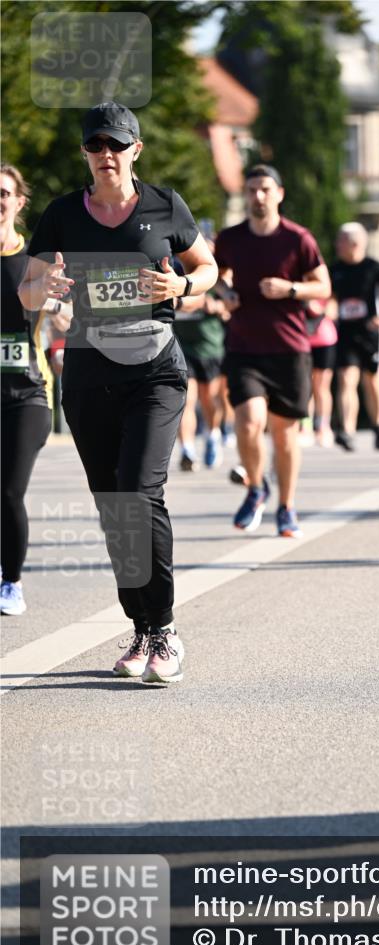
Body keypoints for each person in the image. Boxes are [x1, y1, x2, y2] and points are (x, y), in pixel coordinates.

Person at [19, 102, 218, 682]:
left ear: (136, 150)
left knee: (138, 492)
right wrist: (46, 286)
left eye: (117, 145)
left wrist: (181, 284)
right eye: (95, 146)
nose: (106, 155)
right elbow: (29, 293)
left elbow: (207, 269)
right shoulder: (61, 214)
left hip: (155, 366)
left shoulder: (165, 205)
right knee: (113, 508)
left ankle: (165, 631)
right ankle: (140, 631)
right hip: (88, 369)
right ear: (85, 153)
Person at [214, 164, 331, 537]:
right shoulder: (231, 239)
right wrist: (225, 293)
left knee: (284, 435)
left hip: (290, 348)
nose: (258, 196)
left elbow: (322, 285)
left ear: (279, 193)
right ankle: (255, 488)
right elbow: (211, 273)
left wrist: (290, 289)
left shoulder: (298, 238)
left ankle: (287, 506)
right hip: (244, 347)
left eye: (265, 189)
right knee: (248, 422)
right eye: (251, 190)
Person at [1, 164, 53, 615]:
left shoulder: (32, 259)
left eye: (4, 193)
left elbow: (45, 300)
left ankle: (11, 582)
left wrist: (57, 302)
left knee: (9, 491)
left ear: (19, 202)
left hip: (27, 395)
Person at [330, 222, 379, 451]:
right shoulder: (336, 270)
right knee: (346, 379)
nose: (337, 245)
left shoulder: (373, 267)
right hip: (346, 332)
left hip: (372, 332)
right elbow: (330, 298)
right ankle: (348, 431)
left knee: (373, 382)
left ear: (355, 243)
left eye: (341, 240)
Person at [172, 277, 228, 471]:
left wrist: (218, 306)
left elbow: (233, 304)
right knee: (186, 400)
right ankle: (187, 450)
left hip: (209, 348)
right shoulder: (173, 269)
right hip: (182, 347)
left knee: (208, 399)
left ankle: (213, 435)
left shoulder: (215, 274)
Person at [305, 297, 338, 447]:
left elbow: (333, 312)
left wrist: (317, 307)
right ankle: (306, 427)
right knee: (305, 387)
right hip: (303, 341)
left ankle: (323, 426)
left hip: (325, 340)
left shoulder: (326, 290)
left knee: (321, 387)